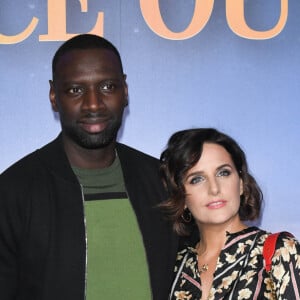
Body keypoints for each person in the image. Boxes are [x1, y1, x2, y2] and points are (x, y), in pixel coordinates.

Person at [0, 34, 178, 300]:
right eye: (75, 90)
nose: (93, 104)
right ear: (53, 95)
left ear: (125, 91)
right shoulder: (13, 191)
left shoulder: (164, 183)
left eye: (107, 87)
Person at [159, 128, 300, 299]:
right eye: (196, 179)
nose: (214, 188)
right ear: (181, 196)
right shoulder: (174, 265)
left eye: (223, 173)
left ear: (241, 183)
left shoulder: (280, 251)